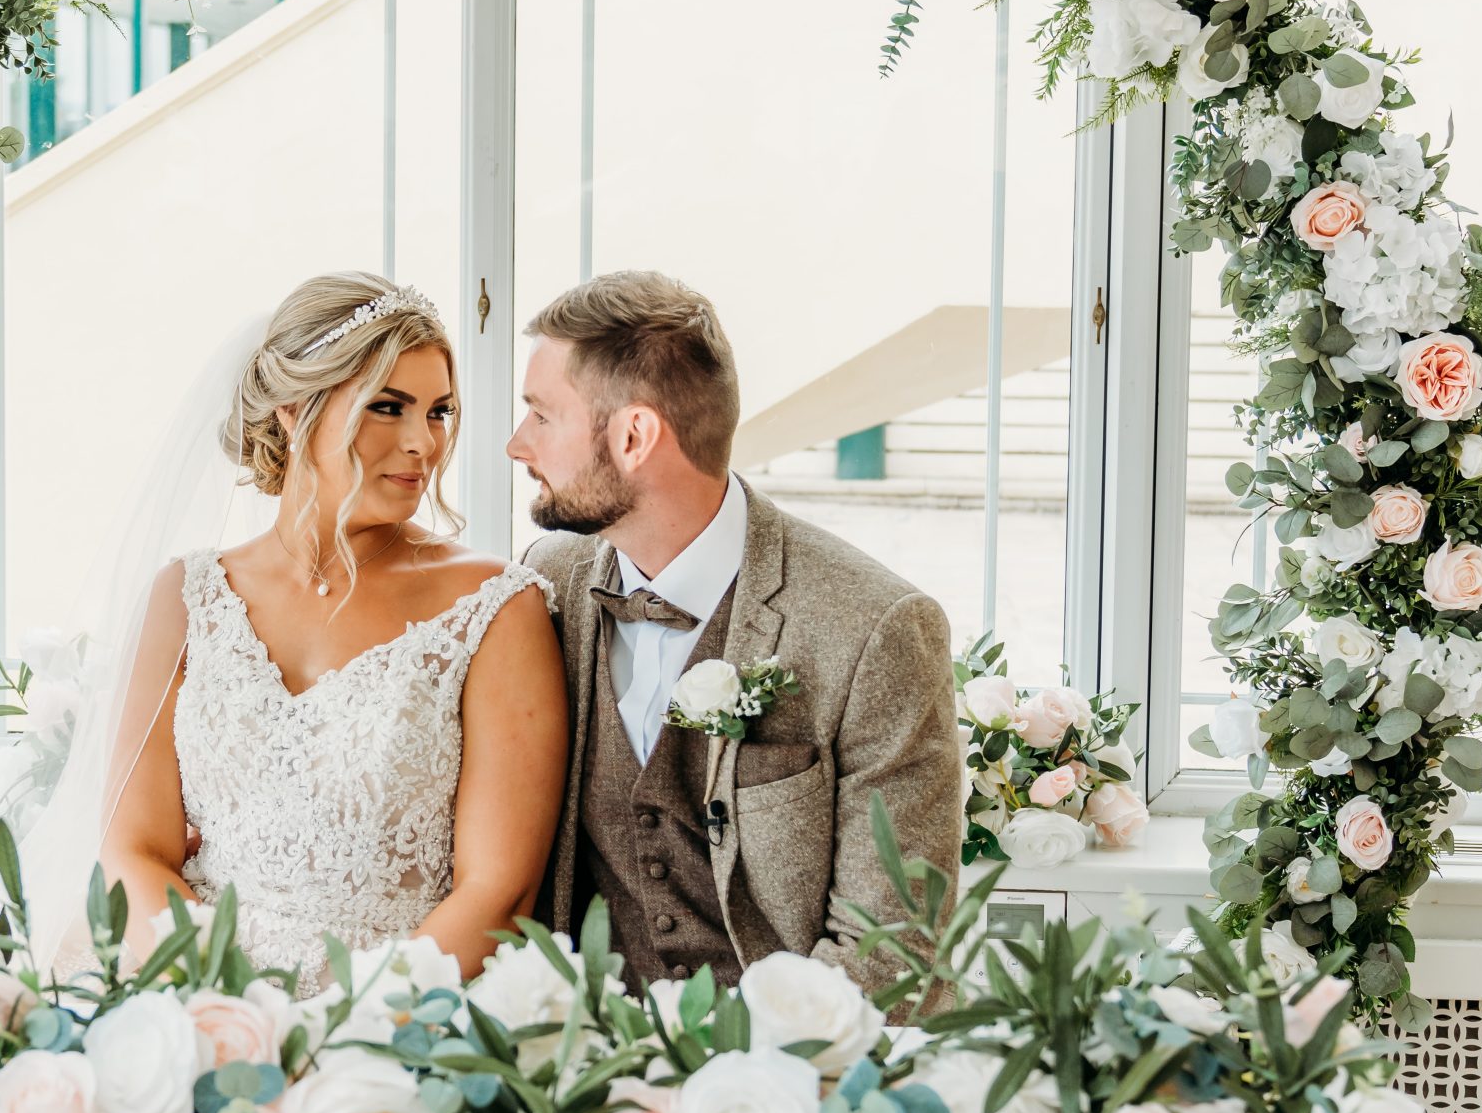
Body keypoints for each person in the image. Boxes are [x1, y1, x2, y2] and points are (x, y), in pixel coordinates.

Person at [67, 273, 568, 993]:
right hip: (191, 995)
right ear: (293, 411)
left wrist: (336, 1036)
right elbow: (131, 852)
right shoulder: (186, 599)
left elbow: (498, 894)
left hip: (395, 1026)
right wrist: (232, 1016)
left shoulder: (494, 607)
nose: (422, 442)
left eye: (438, 412)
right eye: (388, 407)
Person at [508, 270, 961, 991]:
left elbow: (891, 945)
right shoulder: (547, 580)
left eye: (540, 415)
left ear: (633, 435)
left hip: (796, 1073)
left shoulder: (875, 629)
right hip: (584, 1060)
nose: (515, 444)